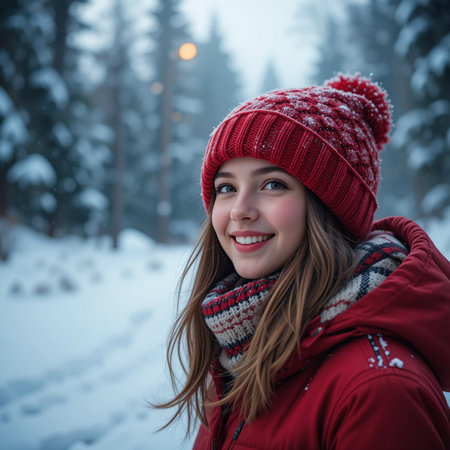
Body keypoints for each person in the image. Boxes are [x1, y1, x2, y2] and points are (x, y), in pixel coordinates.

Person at [157, 73, 450, 449]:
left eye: (273, 184)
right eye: (226, 188)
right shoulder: (239, 345)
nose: (239, 211)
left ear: (330, 209)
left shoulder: (379, 390)